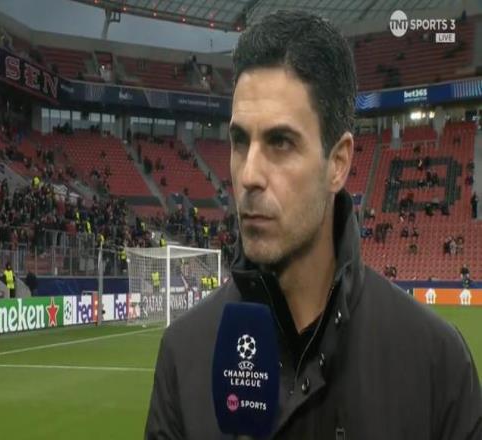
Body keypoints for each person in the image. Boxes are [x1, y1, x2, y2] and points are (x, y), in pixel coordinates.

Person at [145, 11, 482, 439]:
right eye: (240, 141)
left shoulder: (437, 362)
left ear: (338, 163)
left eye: (280, 142)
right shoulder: (184, 354)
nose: (249, 174)